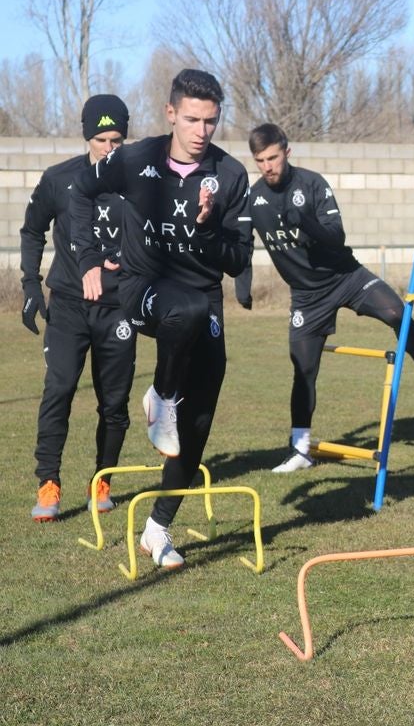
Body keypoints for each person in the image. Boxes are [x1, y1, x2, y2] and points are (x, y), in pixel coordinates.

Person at [72, 69, 252, 568]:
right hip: (142, 288)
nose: (201, 131)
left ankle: (158, 528)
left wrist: (210, 226)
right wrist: (88, 257)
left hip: (201, 299)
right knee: (184, 310)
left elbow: (238, 258)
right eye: (191, 119)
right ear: (171, 113)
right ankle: (161, 394)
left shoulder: (231, 175)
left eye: (211, 121)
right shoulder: (133, 159)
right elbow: (80, 193)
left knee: (198, 418)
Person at [246, 123, 414, 474]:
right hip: (306, 296)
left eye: (273, 157)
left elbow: (336, 236)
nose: (268, 166)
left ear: (287, 152)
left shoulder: (312, 184)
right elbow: (240, 242)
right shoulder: (253, 198)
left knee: (398, 313)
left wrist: (306, 224)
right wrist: (243, 287)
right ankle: (301, 451)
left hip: (346, 277)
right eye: (260, 161)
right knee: (303, 371)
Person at [20, 94, 137, 521]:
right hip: (69, 304)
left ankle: (102, 480)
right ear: (88, 136)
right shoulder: (59, 179)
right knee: (60, 388)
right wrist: (31, 284)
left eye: (118, 139)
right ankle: (48, 483)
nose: (110, 147)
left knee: (114, 402)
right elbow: (32, 231)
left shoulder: (139, 182)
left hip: (118, 307)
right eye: (102, 138)